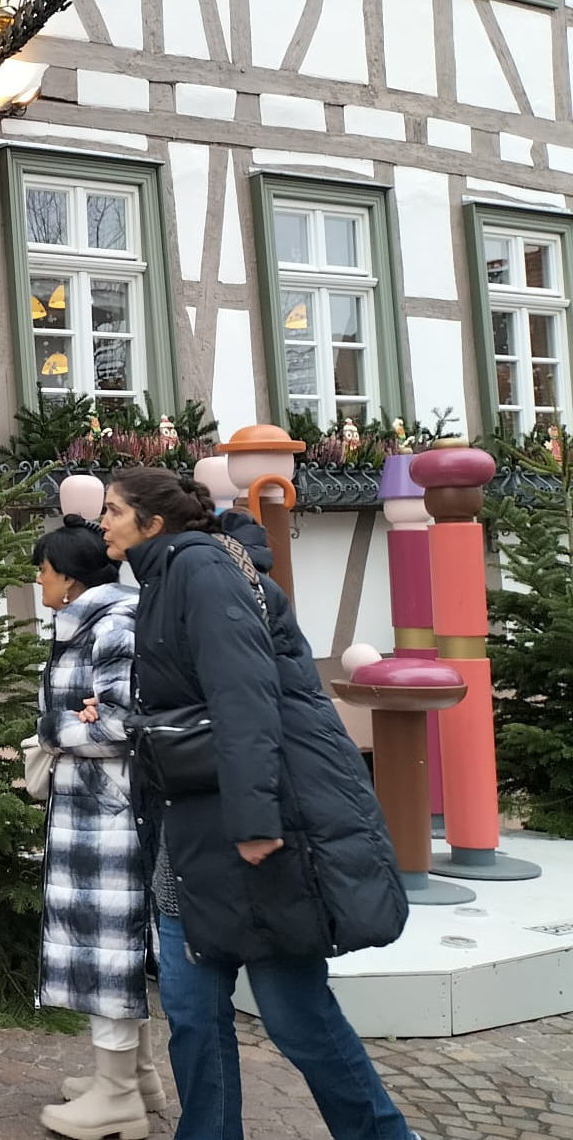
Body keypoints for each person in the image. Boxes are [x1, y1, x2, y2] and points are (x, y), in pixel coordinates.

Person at [99, 468, 413, 1140]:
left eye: (113, 510)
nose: (103, 522)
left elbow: (245, 696)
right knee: (191, 1012)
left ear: (152, 523)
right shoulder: (163, 577)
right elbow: (192, 700)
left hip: (252, 832)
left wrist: (254, 820)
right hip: (191, 835)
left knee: (293, 1010)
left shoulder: (202, 573)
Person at [24, 514, 158, 1140]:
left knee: (110, 947)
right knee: (107, 943)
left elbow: (118, 725)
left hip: (109, 812)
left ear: (69, 578)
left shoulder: (112, 628)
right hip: (92, 807)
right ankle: (138, 1077)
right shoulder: (90, 623)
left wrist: (54, 728)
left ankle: (119, 1097)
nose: (38, 582)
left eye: (43, 571)